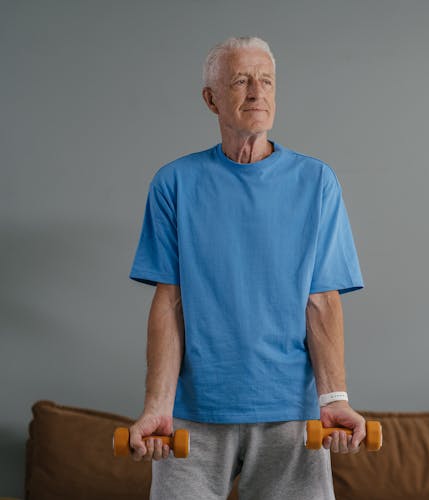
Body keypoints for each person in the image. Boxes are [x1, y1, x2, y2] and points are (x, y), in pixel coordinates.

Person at [127, 36, 366, 499]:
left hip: (290, 415)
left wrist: (334, 399)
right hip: (194, 415)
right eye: (241, 81)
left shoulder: (316, 182)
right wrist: (158, 405)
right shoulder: (174, 183)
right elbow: (169, 303)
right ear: (211, 99)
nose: (257, 92)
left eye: (266, 81)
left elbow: (321, 302)